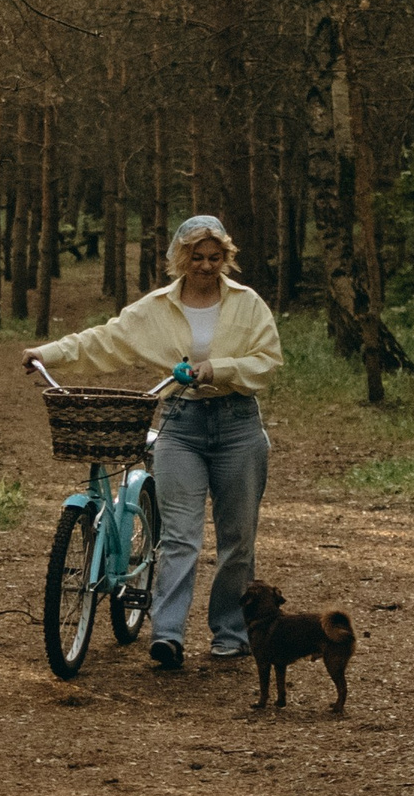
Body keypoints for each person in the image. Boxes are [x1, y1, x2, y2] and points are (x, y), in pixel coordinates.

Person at [23, 214, 283, 670]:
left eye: (215, 257)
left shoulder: (248, 304)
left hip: (238, 426)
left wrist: (218, 368)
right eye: (197, 257)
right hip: (180, 425)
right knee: (180, 536)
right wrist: (47, 352)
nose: (206, 266)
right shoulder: (156, 307)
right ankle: (167, 634)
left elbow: (267, 361)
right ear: (181, 259)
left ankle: (229, 632)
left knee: (237, 540)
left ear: (226, 257)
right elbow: (104, 340)